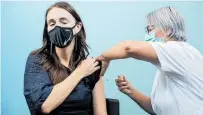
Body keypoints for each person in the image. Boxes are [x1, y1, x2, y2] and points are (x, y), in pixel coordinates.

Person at [97, 6, 203, 115]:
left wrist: (103, 58)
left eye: (150, 29)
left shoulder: (180, 51)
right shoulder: (166, 67)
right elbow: (157, 110)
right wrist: (130, 91)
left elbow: (128, 48)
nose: (148, 35)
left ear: (168, 30)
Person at [24, 2, 107, 115]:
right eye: (52, 23)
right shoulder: (37, 60)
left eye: (63, 21)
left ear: (77, 27)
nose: (57, 27)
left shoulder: (91, 66)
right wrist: (80, 72)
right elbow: (44, 107)